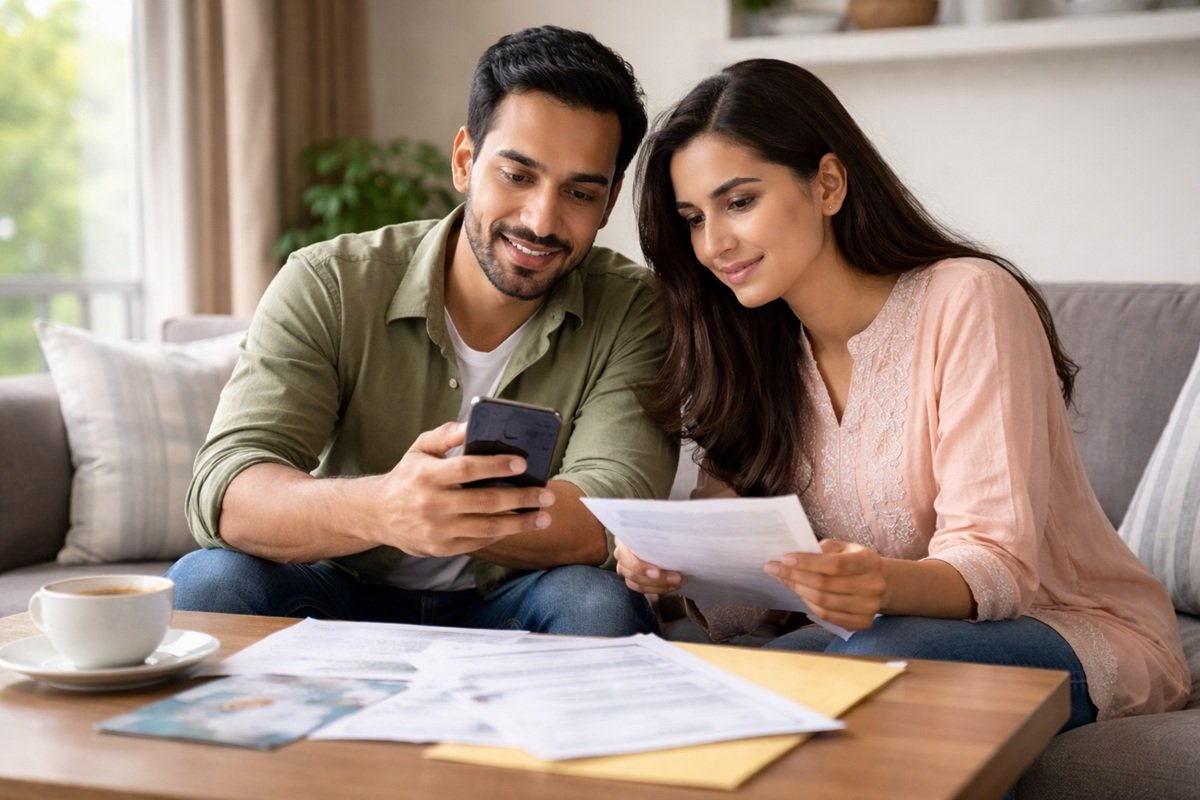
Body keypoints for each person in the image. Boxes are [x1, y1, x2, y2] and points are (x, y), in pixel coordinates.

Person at [618, 58, 1188, 729]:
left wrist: (879, 583)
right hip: (864, 639)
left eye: (740, 202)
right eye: (692, 217)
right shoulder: (750, 351)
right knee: (701, 666)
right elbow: (749, 610)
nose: (714, 244)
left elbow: (998, 564)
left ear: (827, 184)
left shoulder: (969, 299)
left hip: (1067, 629)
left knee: (878, 656)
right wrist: (678, 568)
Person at [167, 26, 678, 637]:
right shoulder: (328, 282)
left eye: (579, 192)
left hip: (515, 598)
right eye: (517, 175)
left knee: (597, 605)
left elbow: (608, 513)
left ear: (610, 200)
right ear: (465, 160)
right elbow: (230, 487)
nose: (542, 219)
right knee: (206, 583)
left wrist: (446, 513)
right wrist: (386, 510)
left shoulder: (635, 309)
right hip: (342, 591)